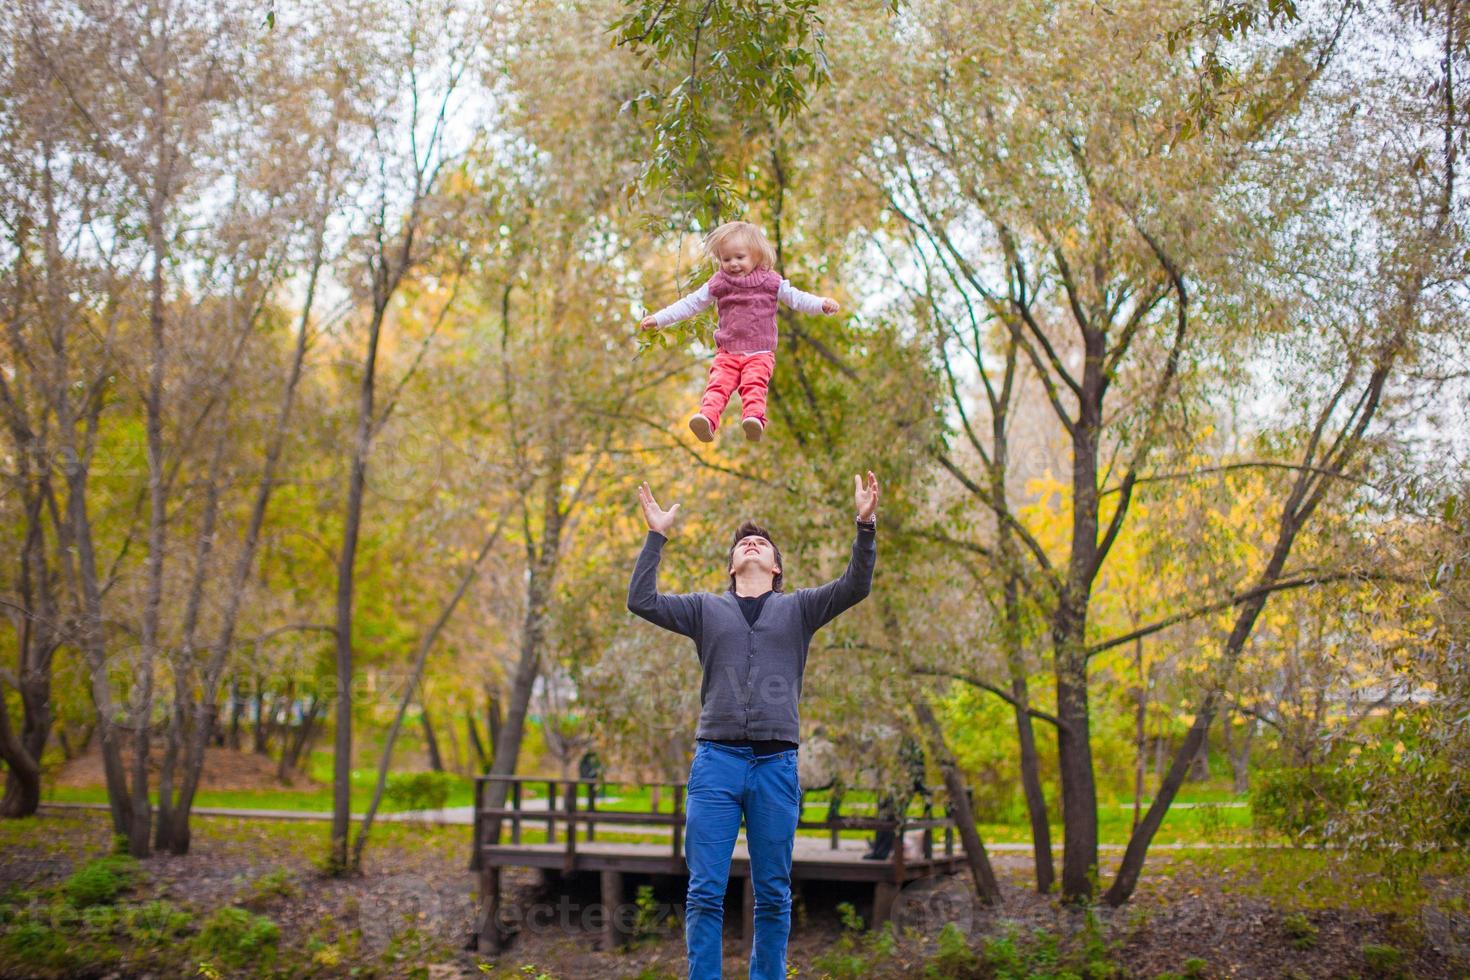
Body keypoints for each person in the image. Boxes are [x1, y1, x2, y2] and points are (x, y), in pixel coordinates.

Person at [627, 474, 880, 980]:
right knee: (703, 892)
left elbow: (856, 584)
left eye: (761, 543)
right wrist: (656, 535)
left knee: (773, 893)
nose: (752, 543)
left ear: (775, 566)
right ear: (731, 565)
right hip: (715, 764)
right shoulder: (704, 609)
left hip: (775, 767)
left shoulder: (800, 608)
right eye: (744, 542)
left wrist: (866, 525)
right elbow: (643, 600)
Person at [638, 221, 840, 444]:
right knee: (717, 385)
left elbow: (797, 298)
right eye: (726, 259)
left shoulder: (771, 281)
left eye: (740, 257)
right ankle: (707, 419)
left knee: (754, 385)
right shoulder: (720, 282)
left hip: (760, 353)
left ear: (756, 255)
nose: (733, 264)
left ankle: (754, 419)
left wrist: (821, 304)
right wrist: (659, 318)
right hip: (728, 353)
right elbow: (691, 303)